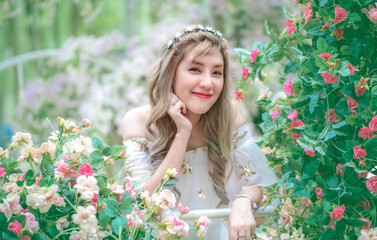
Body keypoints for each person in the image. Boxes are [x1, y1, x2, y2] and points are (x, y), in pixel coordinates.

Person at [121, 25, 278, 240]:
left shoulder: (230, 114)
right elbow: (146, 200)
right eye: (195, 69)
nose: (208, 83)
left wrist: (244, 201)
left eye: (216, 72)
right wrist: (182, 134)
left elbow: (258, 180)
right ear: (171, 72)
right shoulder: (138, 122)